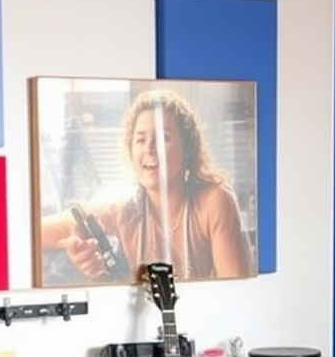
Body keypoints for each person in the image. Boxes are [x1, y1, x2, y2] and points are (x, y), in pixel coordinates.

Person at [40, 89, 254, 283]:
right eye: (141, 140)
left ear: (187, 148)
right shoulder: (121, 208)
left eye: (163, 138)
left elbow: (237, 295)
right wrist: (77, 249)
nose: (150, 149)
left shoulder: (215, 201)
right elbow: (38, 231)